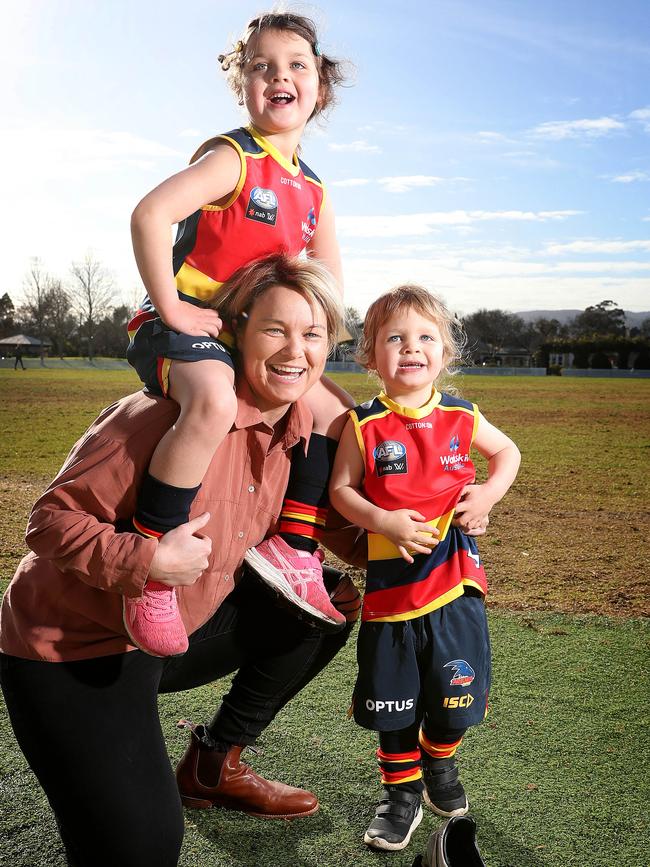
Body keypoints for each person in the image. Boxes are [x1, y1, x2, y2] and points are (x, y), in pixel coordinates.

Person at [0, 255, 363, 867]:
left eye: (313, 334)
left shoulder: (303, 435)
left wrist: (435, 525)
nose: (294, 351)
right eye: (275, 330)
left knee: (322, 603)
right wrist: (146, 558)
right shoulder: (168, 415)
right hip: (75, 651)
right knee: (142, 850)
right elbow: (49, 522)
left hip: (171, 638)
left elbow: (346, 537)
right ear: (235, 331)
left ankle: (214, 763)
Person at [126, 11, 352, 658]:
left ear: (320, 87)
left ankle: (294, 543)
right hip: (182, 327)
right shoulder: (235, 158)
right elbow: (149, 214)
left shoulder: (312, 187)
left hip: (248, 338)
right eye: (262, 67)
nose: (280, 76)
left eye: (296, 65)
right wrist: (169, 309)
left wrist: (312, 346)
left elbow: (328, 284)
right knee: (217, 401)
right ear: (243, 87)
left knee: (335, 411)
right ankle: (151, 559)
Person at [329, 285, 521, 852]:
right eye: (395, 338)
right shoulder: (361, 424)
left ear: (444, 352)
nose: (411, 348)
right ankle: (401, 794)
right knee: (393, 701)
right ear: (369, 356)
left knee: (456, 695)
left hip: (455, 584)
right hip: (390, 593)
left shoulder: (463, 415)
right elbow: (341, 490)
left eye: (425, 338)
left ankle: (439, 764)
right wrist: (382, 522)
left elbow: (507, 454)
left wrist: (485, 496)